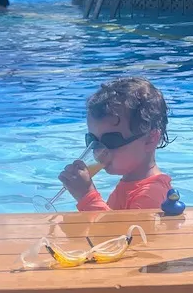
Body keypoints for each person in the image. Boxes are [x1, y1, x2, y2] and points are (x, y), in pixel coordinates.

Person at [59, 77, 172, 211]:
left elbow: (117, 231)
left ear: (150, 139)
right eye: (92, 140)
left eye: (111, 141)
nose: (98, 151)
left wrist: (86, 196)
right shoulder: (131, 185)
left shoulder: (151, 194)